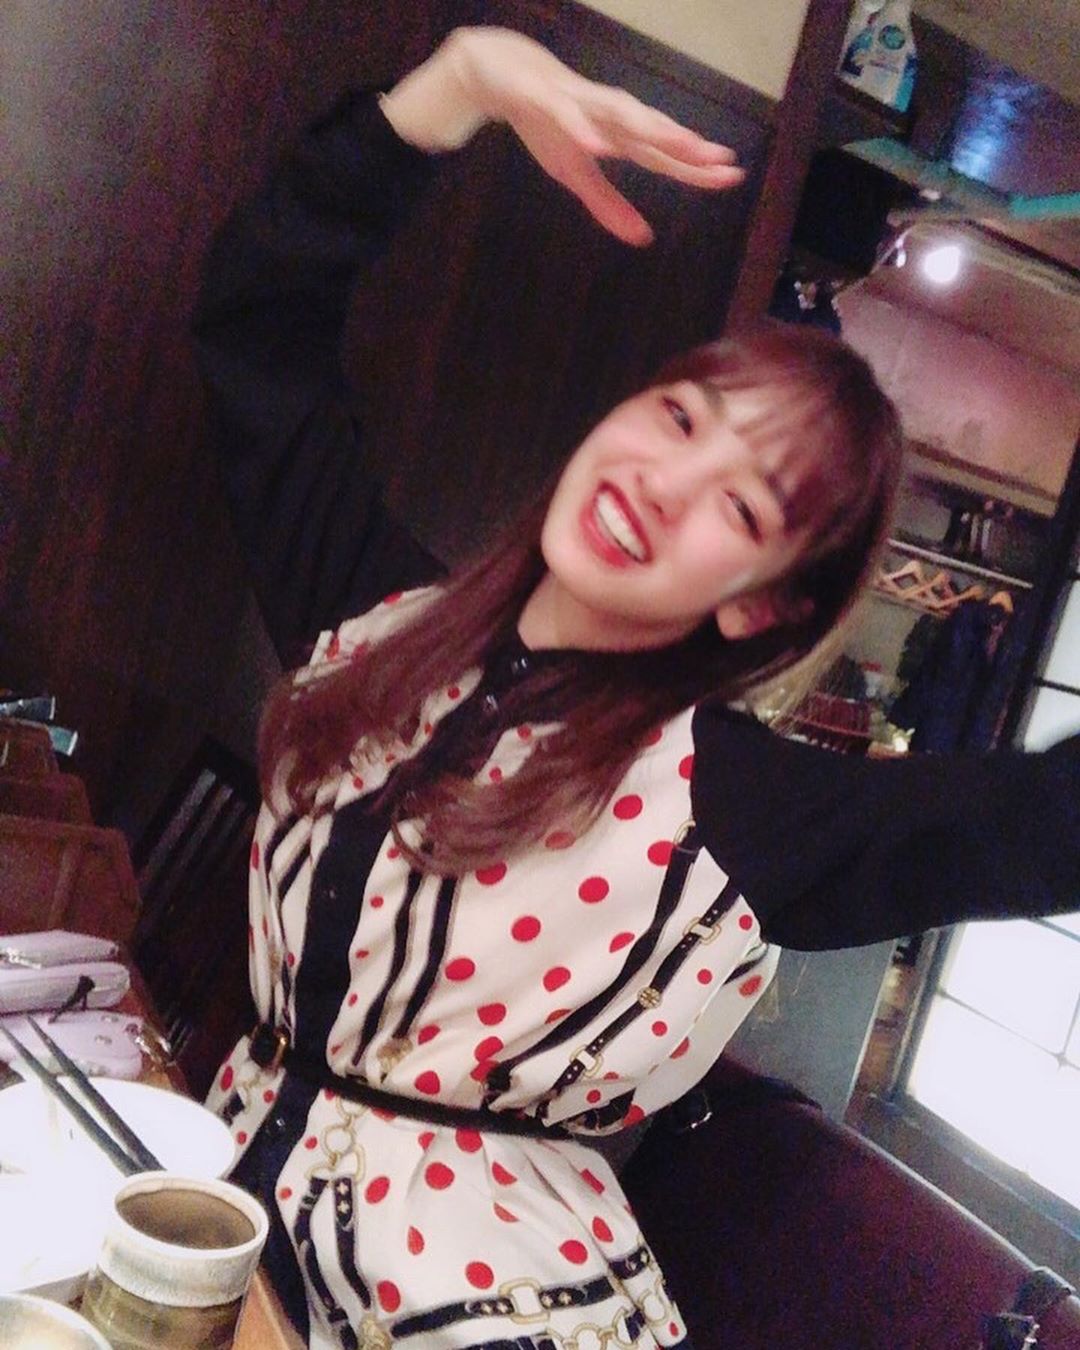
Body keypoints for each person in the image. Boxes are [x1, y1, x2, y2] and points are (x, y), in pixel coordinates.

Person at [193, 27, 1080, 1350]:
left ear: (758, 604)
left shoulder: (729, 802)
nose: (666, 482)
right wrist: (463, 81)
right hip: (211, 1221)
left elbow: (1047, 822)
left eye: (743, 503)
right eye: (679, 417)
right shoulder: (372, 618)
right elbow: (257, 324)